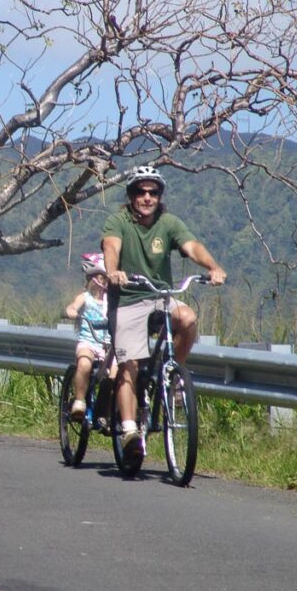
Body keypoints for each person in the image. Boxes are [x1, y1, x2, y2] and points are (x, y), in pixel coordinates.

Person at [102, 165, 226, 459]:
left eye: (153, 192)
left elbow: (192, 246)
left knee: (187, 318)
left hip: (160, 297)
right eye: (141, 192)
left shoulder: (168, 223)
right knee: (129, 364)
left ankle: (170, 379)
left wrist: (212, 267)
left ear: (160, 195)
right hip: (129, 300)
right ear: (131, 195)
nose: (147, 197)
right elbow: (111, 246)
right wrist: (113, 271)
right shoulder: (118, 221)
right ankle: (131, 429)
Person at [63, 252, 114, 423]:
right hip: (88, 341)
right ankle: (79, 400)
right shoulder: (85, 297)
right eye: (99, 279)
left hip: (108, 345)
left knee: (115, 374)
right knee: (84, 363)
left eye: (105, 279)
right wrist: (72, 311)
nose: (102, 283)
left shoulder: (112, 301)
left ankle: (107, 411)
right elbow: (73, 306)